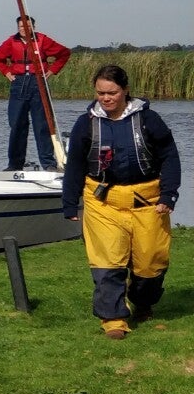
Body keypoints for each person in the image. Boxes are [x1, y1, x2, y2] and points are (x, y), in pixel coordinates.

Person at [61, 64, 179, 340]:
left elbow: (170, 157)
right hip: (103, 201)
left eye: (112, 93)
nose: (106, 98)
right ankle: (113, 319)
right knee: (107, 262)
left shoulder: (149, 120)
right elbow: (75, 164)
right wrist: (70, 202)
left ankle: (143, 302)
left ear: (125, 90)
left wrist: (169, 194)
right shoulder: (86, 123)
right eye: (100, 93)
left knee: (150, 262)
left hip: (147, 200)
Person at [0, 15, 71, 171]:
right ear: (18, 28)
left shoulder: (42, 40)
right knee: (16, 124)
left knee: (42, 125)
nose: (24, 29)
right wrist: (6, 72)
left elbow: (64, 53)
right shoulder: (11, 42)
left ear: (33, 27)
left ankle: (48, 163)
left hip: (38, 83)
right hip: (19, 83)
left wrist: (52, 70)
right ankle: (15, 165)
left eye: (28, 26)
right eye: (22, 26)